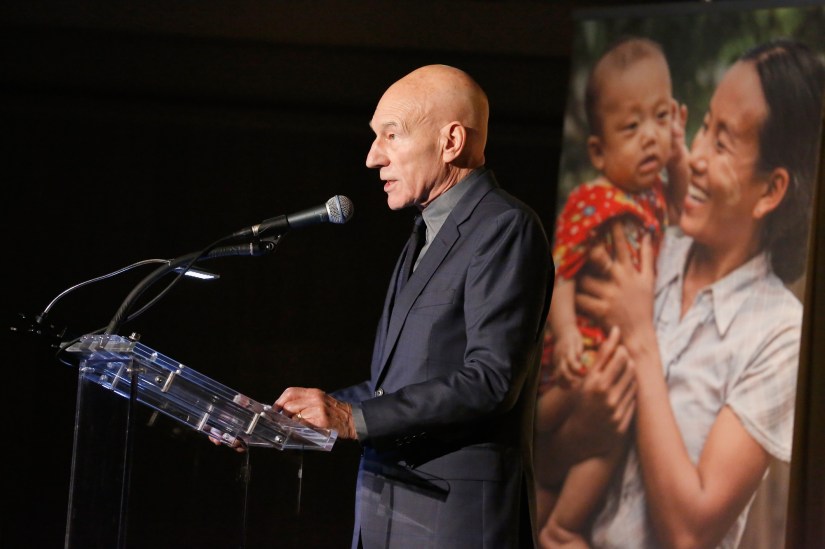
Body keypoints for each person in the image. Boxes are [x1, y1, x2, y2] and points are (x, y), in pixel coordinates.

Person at [273, 64, 555, 548]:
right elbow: (398, 387)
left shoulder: (504, 227)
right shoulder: (424, 234)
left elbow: (491, 379)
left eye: (391, 134)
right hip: (389, 514)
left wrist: (352, 418)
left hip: (452, 521)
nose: (372, 157)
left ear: (451, 142)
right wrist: (294, 418)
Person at [567, 39, 824, 548]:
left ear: (771, 191)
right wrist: (584, 426)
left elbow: (690, 532)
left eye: (722, 143)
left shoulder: (780, 335)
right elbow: (548, 448)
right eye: (705, 125)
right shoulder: (644, 248)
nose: (695, 153)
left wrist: (641, 339)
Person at [534, 36, 687, 548]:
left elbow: (682, 208)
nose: (650, 138)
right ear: (598, 151)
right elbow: (562, 269)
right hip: (582, 350)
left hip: (612, 351)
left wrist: (679, 158)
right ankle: (562, 529)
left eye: (661, 118)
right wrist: (566, 333)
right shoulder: (592, 200)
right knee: (602, 432)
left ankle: (548, 520)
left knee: (598, 435)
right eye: (631, 127)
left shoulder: (656, 195)